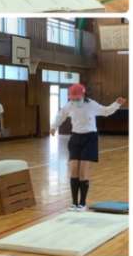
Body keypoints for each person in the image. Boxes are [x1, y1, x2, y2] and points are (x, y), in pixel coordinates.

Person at [50, 83, 126, 211]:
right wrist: (53, 126)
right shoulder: (69, 105)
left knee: (83, 171)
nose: (75, 100)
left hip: (90, 138)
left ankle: (82, 203)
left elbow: (106, 111)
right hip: (75, 138)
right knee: (74, 170)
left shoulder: (91, 104)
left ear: (83, 95)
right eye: (72, 98)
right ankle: (74, 203)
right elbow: (61, 115)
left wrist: (116, 104)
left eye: (77, 98)